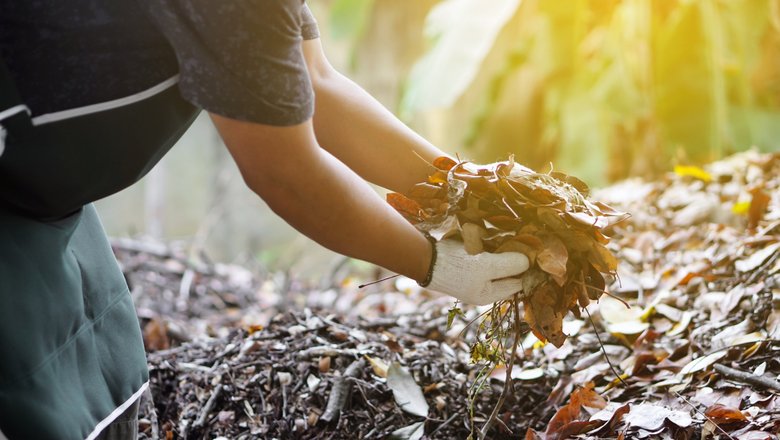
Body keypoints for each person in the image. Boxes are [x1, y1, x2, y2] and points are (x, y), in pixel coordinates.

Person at [0, 1, 530, 438]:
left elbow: (317, 85)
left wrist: (469, 189)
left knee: (93, 392)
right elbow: (286, 172)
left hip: (40, 199)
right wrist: (433, 263)